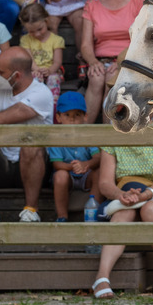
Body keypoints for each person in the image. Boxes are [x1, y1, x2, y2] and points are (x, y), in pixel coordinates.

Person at [0, 47, 54, 223]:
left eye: (0, 71)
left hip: (36, 165)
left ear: (17, 75)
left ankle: (31, 210)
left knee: (31, 143)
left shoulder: (41, 93)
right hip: (0, 162)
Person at [91, 144, 153, 299]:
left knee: (150, 209)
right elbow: (105, 183)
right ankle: (102, 278)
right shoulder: (114, 141)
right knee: (123, 213)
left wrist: (146, 195)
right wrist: (122, 195)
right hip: (125, 196)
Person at [79, 0, 146, 123]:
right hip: (101, 60)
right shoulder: (91, 4)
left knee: (113, 81)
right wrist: (93, 62)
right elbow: (86, 44)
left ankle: (107, 141)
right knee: (95, 78)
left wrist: (122, 62)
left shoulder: (140, 0)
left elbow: (144, 41)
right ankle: (83, 139)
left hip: (131, 60)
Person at [46, 91, 98, 222]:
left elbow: (98, 158)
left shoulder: (89, 134)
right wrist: (74, 167)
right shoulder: (56, 136)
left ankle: (94, 214)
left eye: (77, 115)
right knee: (60, 176)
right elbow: (57, 164)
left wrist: (85, 165)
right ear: (58, 117)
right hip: (67, 175)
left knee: (99, 174)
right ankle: (62, 216)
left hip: (86, 173)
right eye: (67, 114)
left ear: (85, 117)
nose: (72, 119)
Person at [19, 3, 64, 102]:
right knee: (34, 78)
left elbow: (57, 62)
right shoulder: (25, 40)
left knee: (53, 79)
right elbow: (29, 59)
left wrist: (50, 70)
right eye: (31, 31)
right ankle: (35, 104)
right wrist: (37, 70)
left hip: (52, 71)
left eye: (40, 29)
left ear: (46, 21)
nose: (37, 34)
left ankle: (52, 105)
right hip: (33, 70)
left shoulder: (56, 40)